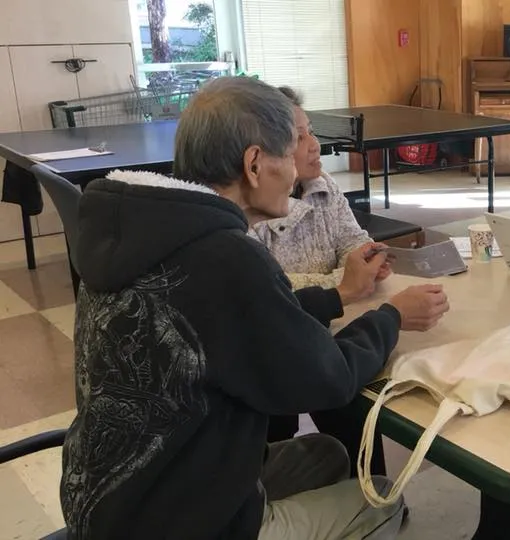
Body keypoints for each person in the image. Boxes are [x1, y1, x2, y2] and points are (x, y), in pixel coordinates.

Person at [60, 76, 450, 539]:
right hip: (182, 522)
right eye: (289, 151)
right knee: (382, 499)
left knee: (328, 454)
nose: (298, 167)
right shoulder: (224, 256)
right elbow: (325, 379)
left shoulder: (141, 234)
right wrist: (393, 317)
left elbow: (245, 320)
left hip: (113, 499)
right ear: (254, 163)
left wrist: (332, 298)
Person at [250, 86, 390, 296]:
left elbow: (351, 239)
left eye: (312, 132)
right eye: (299, 138)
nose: (315, 145)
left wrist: (365, 259)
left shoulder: (324, 184)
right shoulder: (250, 207)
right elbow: (270, 286)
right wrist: (346, 281)